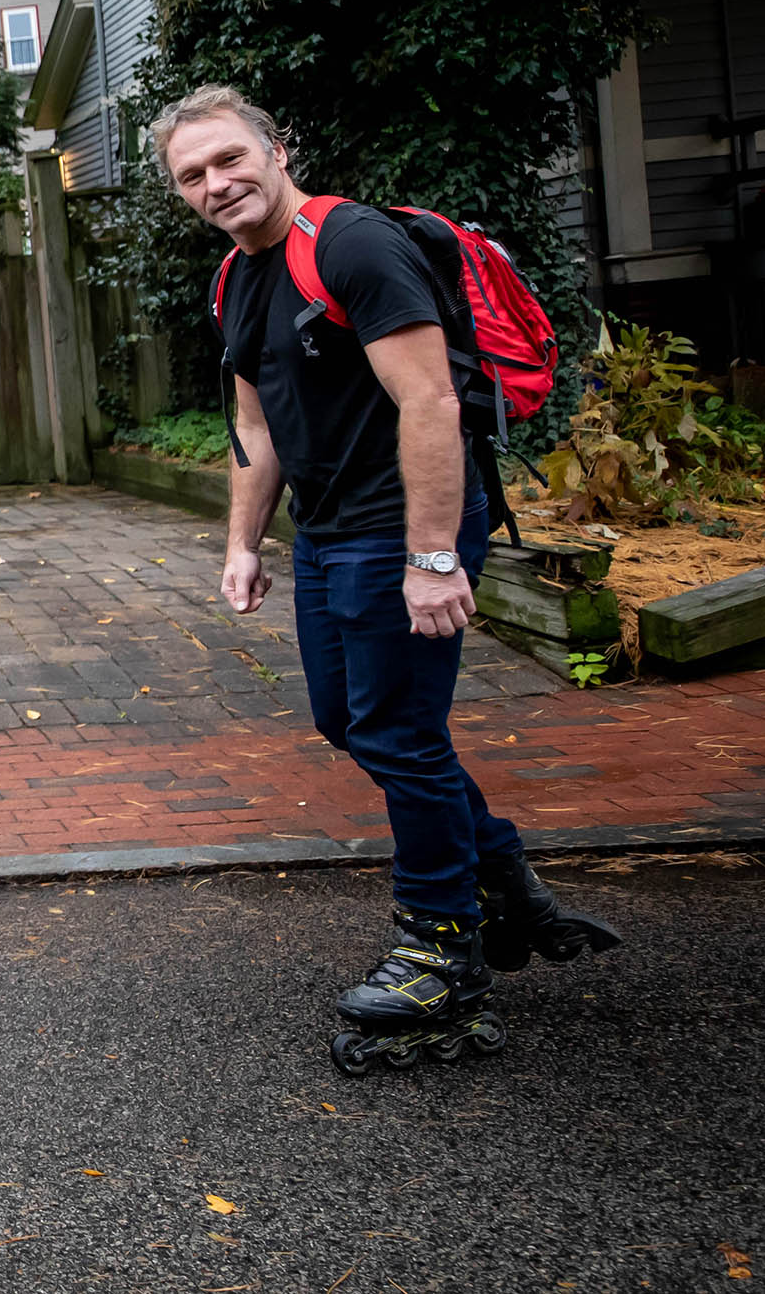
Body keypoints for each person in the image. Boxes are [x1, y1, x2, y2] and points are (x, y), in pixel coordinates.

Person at [155, 84, 614, 1041]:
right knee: (349, 720)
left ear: (277, 151)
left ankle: (441, 948)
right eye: (193, 175)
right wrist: (242, 542)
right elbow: (254, 426)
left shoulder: (352, 245)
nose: (216, 183)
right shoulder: (237, 279)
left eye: (230, 158)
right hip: (327, 534)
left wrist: (434, 556)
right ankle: (502, 876)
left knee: (400, 731)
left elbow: (430, 400)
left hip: (403, 526)